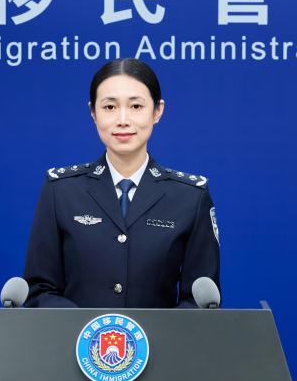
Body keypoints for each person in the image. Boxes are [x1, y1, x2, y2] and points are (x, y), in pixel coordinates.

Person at [23, 58, 220, 308]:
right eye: (110, 107)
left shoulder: (190, 197)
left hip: (161, 336)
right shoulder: (60, 191)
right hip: (76, 335)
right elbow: (39, 291)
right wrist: (86, 327)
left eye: (136, 106)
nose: (123, 120)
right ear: (93, 112)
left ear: (157, 111)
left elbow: (201, 302)